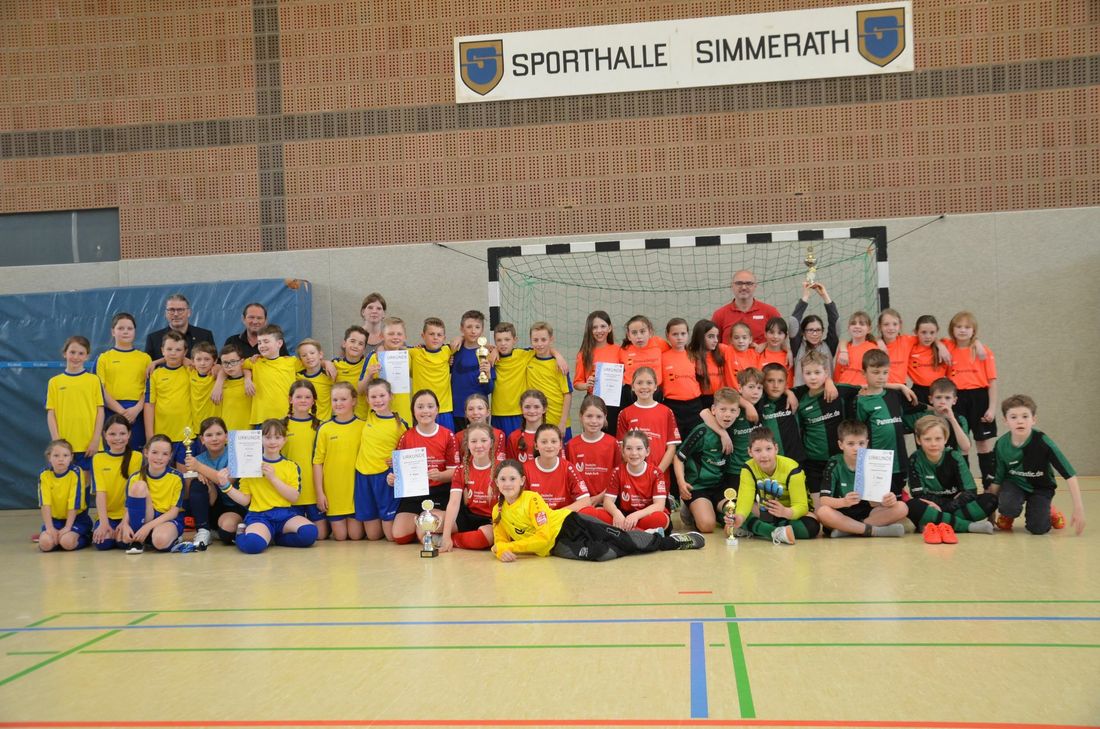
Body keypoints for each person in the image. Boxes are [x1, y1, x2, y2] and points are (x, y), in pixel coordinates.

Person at [491, 459, 704, 562]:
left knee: (623, 540)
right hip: (557, 546)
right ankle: (637, 540)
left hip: (569, 523)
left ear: (522, 481)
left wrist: (509, 548)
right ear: (496, 483)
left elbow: (543, 537)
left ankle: (673, 542)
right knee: (601, 554)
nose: (507, 483)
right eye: (503, 479)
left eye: (512, 479)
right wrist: (501, 549)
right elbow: (499, 541)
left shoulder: (532, 499)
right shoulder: (497, 510)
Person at [219, 419, 318, 554]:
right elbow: (245, 500)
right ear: (260, 439)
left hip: (285, 515)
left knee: (309, 533)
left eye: (277, 437)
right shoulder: (249, 465)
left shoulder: (291, 466)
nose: (272, 442)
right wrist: (226, 486)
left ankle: (275, 538)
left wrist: (273, 478)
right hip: (260, 516)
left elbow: (294, 497)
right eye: (268, 437)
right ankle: (241, 533)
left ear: (284, 440)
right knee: (253, 545)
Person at [991, 395, 1084, 536]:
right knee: (1008, 505)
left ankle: (1050, 510)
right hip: (1015, 484)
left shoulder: (1043, 443)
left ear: (1033, 419)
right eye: (1013, 417)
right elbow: (998, 479)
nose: (1020, 421)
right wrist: (990, 513)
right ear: (1005, 421)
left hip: (1040, 488)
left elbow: (1069, 475)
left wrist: (1079, 508)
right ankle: (1007, 514)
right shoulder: (1001, 445)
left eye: (1025, 416)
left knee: (1038, 529)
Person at [905, 415, 996, 542]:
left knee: (990, 500)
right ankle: (969, 526)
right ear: (918, 440)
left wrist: (943, 509)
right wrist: (946, 504)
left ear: (945, 439)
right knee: (911, 506)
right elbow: (918, 494)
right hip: (933, 506)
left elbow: (970, 491)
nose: (933, 444)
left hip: (952, 506)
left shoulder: (955, 457)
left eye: (938, 439)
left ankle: (935, 521)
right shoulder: (915, 459)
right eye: (927, 439)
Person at [814, 420, 908, 538]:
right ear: (840, 444)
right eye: (851, 444)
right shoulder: (834, 463)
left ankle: (849, 530)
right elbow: (824, 500)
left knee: (901, 507)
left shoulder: (875, 461)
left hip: (869, 514)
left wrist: (889, 500)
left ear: (867, 443)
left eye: (861, 443)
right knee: (823, 512)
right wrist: (844, 501)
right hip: (842, 513)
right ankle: (874, 531)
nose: (857, 448)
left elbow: (878, 502)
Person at [725, 427, 819, 545]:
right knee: (730, 508)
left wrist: (785, 511)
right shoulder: (748, 468)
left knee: (811, 527)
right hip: (763, 512)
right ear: (750, 452)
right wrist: (739, 517)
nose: (764, 455)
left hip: (788, 514)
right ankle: (774, 532)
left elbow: (801, 506)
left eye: (768, 449)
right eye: (758, 450)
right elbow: (745, 501)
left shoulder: (792, 468)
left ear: (776, 448)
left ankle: (754, 527)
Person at [389, 389, 460, 545]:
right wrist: (393, 478)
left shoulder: (448, 435)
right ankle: (423, 526)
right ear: (413, 411)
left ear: (437, 410)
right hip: (413, 494)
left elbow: (456, 472)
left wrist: (440, 476)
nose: (425, 411)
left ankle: (448, 527)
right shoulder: (406, 437)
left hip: (438, 492)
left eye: (430, 406)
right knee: (399, 536)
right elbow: (399, 471)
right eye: (420, 407)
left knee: (424, 529)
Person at [675, 388, 749, 534]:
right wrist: (681, 483)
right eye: (723, 409)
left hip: (720, 487)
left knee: (737, 514)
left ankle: (713, 510)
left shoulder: (735, 428)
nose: (727, 414)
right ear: (714, 410)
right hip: (698, 487)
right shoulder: (702, 431)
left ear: (738, 412)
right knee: (707, 526)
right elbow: (678, 458)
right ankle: (690, 510)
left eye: (732, 410)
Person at [944, 311, 998, 489]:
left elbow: (992, 382)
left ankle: (989, 484)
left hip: (979, 398)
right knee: (962, 446)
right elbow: (935, 340)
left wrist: (991, 408)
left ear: (973, 331)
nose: (962, 330)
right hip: (957, 398)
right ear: (952, 329)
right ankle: (965, 486)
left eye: (967, 327)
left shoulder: (983, 352)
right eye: (958, 326)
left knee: (983, 444)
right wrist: (942, 346)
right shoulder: (948, 347)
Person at [794, 351, 858, 496]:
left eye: (817, 372)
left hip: (840, 460)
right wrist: (790, 394)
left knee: (845, 504)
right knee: (820, 510)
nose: (813, 377)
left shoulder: (840, 391)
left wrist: (900, 386)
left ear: (826, 372)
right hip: (814, 463)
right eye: (808, 373)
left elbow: (869, 387)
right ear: (802, 374)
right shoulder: (800, 397)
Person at [854, 349, 917, 496]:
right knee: (874, 500)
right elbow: (858, 434)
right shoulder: (861, 402)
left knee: (897, 498)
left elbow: (920, 407)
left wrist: (901, 386)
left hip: (899, 461)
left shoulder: (895, 395)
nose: (881, 377)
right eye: (875, 373)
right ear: (864, 373)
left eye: (885, 372)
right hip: (875, 462)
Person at [353, 379, 407, 541]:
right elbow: (357, 390)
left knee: (391, 537)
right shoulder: (366, 416)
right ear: (367, 400)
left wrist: (396, 459)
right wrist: (369, 373)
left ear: (390, 396)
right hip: (363, 476)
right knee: (373, 536)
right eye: (373, 397)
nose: (378, 400)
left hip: (385, 478)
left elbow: (406, 453)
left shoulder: (400, 424)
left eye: (382, 395)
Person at [184, 416, 247, 546]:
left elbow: (226, 480)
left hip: (234, 505)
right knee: (198, 484)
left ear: (227, 436)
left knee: (227, 533)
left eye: (219, 434)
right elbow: (191, 494)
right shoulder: (197, 459)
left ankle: (217, 531)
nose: (214, 438)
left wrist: (200, 468)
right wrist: (200, 477)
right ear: (202, 439)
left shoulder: (236, 454)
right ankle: (203, 530)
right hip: (213, 506)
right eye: (209, 435)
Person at [313, 382, 364, 541]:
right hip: (334, 492)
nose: (339, 403)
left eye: (343, 399)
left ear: (354, 401)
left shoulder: (363, 426)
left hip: (356, 492)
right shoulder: (325, 429)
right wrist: (320, 493)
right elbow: (317, 463)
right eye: (335, 400)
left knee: (355, 536)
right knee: (340, 537)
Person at [46, 335, 105, 472]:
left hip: (89, 445)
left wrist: (96, 440)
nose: (76, 357)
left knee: (88, 486)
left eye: (81, 353)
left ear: (87, 356)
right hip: (66, 447)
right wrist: (58, 443)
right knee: (68, 485)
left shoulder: (93, 380)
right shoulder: (55, 382)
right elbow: (51, 413)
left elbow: (100, 411)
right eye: (72, 352)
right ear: (64, 353)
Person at [593, 429, 670, 531]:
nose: (634, 453)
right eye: (629, 448)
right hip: (623, 516)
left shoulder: (656, 473)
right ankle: (637, 532)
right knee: (593, 512)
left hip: (645, 515)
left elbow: (659, 505)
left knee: (661, 519)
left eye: (639, 448)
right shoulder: (617, 472)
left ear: (647, 451)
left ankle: (625, 532)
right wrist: (616, 513)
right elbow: (607, 502)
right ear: (623, 451)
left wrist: (636, 515)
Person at [95, 312, 152, 449]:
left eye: (129, 328)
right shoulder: (104, 358)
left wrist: (136, 409)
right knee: (114, 453)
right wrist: (121, 412)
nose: (125, 332)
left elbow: (149, 388)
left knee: (136, 456)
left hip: (138, 413)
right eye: (121, 328)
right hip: (112, 411)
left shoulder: (145, 358)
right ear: (113, 332)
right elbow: (100, 390)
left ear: (135, 331)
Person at [119, 435, 184, 553]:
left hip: (165, 519)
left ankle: (167, 538)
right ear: (146, 452)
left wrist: (148, 527)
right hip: (145, 516)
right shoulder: (135, 477)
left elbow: (174, 512)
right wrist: (125, 524)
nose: (159, 458)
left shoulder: (177, 477)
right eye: (154, 452)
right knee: (139, 486)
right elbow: (129, 508)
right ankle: (137, 542)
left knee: (160, 541)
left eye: (165, 454)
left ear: (170, 456)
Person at [440, 422, 499, 552]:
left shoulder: (501, 468)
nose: (479, 445)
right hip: (468, 516)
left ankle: (453, 540)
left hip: (490, 520)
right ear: (467, 444)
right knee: (428, 525)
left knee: (483, 538)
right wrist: (445, 534)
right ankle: (445, 538)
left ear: (491, 442)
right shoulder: (461, 469)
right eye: (473, 441)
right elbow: (454, 503)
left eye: (483, 440)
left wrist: (449, 537)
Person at [91, 415, 143, 550]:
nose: (118, 438)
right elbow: (100, 493)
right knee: (102, 544)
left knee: (124, 542)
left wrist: (125, 522)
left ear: (129, 434)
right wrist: (103, 523)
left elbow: (133, 495)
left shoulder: (136, 457)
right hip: (108, 516)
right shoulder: (98, 459)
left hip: (128, 515)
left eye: (122, 433)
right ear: (105, 435)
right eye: (112, 434)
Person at [283, 380, 326, 540]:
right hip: (291, 492)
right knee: (298, 531)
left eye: (307, 397)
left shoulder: (321, 426)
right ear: (290, 399)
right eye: (298, 396)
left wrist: (321, 492)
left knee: (320, 535)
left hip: (314, 490)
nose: (303, 400)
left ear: (313, 400)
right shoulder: (282, 427)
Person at [616, 367, 680, 474]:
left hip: (660, 476)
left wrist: (658, 472)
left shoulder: (666, 412)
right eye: (639, 382)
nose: (644, 386)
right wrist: (637, 471)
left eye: (649, 383)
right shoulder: (625, 413)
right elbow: (622, 448)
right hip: (633, 476)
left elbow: (671, 448)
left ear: (655, 386)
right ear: (632, 386)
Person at [143, 330, 191, 462]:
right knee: (162, 472)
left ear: (185, 352)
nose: (173, 353)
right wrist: (150, 435)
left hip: (186, 435)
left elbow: (204, 366)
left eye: (178, 349)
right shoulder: (155, 374)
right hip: (162, 436)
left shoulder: (191, 371)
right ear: (162, 350)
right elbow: (149, 405)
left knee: (187, 476)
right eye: (169, 349)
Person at [37, 439, 93, 552]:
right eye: (56, 455)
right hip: (55, 520)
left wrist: (67, 527)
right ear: (49, 457)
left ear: (71, 457)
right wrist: (50, 528)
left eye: (65, 455)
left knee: (67, 542)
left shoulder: (76, 473)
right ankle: (57, 538)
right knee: (45, 544)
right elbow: (45, 503)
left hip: (76, 519)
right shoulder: (44, 474)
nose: (61, 459)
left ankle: (87, 536)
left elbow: (74, 503)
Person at [565, 395, 620, 506]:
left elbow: (619, 478)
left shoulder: (613, 443)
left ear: (605, 417)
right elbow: (569, 479)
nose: (594, 421)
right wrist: (583, 500)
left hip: (607, 502)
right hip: (580, 503)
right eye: (589, 416)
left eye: (599, 417)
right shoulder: (571, 445)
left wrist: (599, 498)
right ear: (581, 417)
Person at [242, 324, 303, 425]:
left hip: (287, 417)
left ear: (279, 343)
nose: (262, 346)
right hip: (261, 419)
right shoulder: (255, 361)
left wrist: (326, 363)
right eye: (259, 342)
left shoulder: (292, 362)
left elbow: (312, 363)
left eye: (266, 341)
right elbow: (241, 366)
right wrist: (247, 379)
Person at [522, 424, 591, 511]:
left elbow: (585, 500)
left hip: (562, 518)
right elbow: (520, 503)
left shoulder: (568, 468)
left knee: (589, 512)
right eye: (544, 442)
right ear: (536, 445)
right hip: (536, 519)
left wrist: (556, 515)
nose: (549, 446)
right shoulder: (526, 469)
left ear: (560, 445)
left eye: (554, 441)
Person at [573, 311, 622, 431]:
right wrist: (586, 385)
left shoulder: (619, 350)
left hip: (614, 403)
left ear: (609, 328)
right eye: (595, 327)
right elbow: (577, 383)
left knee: (612, 439)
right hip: (593, 402)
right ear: (590, 330)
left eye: (603, 326)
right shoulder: (584, 354)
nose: (599, 330)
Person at [450, 310, 495, 431]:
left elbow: (490, 389)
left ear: (482, 329)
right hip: (458, 410)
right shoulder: (454, 350)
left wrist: (488, 375)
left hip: (479, 412)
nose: (473, 331)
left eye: (477, 327)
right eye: (469, 327)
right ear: (462, 329)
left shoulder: (489, 353)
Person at [526, 321, 573, 439]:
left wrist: (562, 422)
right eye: (535, 340)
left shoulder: (559, 365)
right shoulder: (527, 357)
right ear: (531, 340)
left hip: (558, 422)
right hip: (537, 423)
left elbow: (567, 394)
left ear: (551, 340)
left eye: (543, 340)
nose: (539, 344)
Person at [408, 317, 456, 431]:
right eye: (431, 334)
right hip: (421, 411)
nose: (435, 337)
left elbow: (472, 343)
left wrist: (491, 349)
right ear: (423, 335)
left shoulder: (448, 350)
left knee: (447, 445)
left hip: (444, 410)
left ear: (444, 338)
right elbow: (394, 347)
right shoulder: (414, 352)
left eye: (439, 335)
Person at [787, 281, 839, 385]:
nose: (815, 333)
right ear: (803, 332)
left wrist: (824, 295)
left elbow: (835, 321)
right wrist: (805, 296)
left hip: (826, 396)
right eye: (810, 330)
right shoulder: (797, 346)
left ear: (823, 331)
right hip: (802, 398)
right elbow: (793, 322)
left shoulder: (828, 345)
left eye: (818, 330)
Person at [712, 270, 782, 345]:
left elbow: (781, 339)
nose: (744, 287)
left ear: (755, 286)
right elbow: (713, 345)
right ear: (732, 286)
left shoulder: (770, 312)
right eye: (739, 283)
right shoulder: (720, 315)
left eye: (749, 283)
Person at [365, 317, 412, 424]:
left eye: (399, 334)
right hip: (379, 417)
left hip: (403, 415)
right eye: (390, 334)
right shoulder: (374, 357)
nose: (395, 337)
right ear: (382, 336)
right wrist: (369, 375)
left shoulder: (408, 356)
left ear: (405, 337)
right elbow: (360, 389)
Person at [617, 315, 668, 411]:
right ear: (629, 336)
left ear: (650, 332)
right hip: (630, 394)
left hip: (654, 392)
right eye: (634, 333)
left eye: (642, 331)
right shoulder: (623, 350)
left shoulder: (660, 344)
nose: (639, 336)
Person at [490, 322, 532, 437]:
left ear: (515, 340)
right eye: (499, 340)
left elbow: (544, 349)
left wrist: (558, 355)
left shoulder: (523, 355)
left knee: (518, 450)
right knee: (500, 451)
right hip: (497, 413)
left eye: (507, 340)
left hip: (518, 413)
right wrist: (493, 350)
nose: (503, 344)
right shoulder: (491, 357)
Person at [144, 293, 214, 358]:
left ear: (189, 312)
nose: (176, 314)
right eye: (171, 310)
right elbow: (149, 366)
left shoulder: (205, 336)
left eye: (180, 310)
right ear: (166, 313)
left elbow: (214, 362)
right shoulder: (153, 339)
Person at [907, 315, 949, 406]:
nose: (928, 336)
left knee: (939, 420)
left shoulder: (944, 347)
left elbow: (965, 342)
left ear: (937, 331)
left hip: (939, 392)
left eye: (932, 332)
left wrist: (940, 345)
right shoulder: (910, 347)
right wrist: (879, 340)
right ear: (916, 332)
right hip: (918, 392)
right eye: (923, 332)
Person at [223, 302, 288, 358]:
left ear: (266, 321)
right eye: (251, 317)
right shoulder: (232, 341)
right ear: (243, 319)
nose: (255, 322)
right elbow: (222, 364)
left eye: (259, 318)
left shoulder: (275, 341)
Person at [332, 325, 370, 419]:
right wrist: (325, 363)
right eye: (352, 341)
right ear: (344, 343)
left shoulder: (369, 365)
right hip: (341, 419)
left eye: (360, 344)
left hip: (363, 419)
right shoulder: (335, 365)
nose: (355, 346)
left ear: (364, 349)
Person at [454, 393, 506, 460]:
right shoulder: (458, 437)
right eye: (470, 409)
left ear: (488, 412)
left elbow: (500, 463)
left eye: (480, 408)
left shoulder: (499, 434)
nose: (475, 412)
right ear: (466, 413)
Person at [833, 311, 878, 386]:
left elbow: (876, 373)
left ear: (869, 329)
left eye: (862, 324)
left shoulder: (873, 349)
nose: (857, 326)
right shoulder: (844, 349)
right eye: (853, 323)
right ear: (848, 328)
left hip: (863, 390)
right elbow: (837, 374)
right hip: (843, 389)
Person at [215, 344, 252, 432]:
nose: (230, 366)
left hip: (250, 434)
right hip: (228, 432)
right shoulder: (219, 383)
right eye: (225, 363)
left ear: (242, 361)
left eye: (233, 362)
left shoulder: (252, 381)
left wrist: (248, 377)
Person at [296, 339, 333, 422]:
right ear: (300, 360)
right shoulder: (297, 377)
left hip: (324, 424)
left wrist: (327, 363)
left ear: (320, 354)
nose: (309, 357)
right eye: (304, 355)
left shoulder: (329, 376)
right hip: (304, 424)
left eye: (312, 353)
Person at [188, 341, 218, 437]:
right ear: (193, 361)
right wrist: (156, 362)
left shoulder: (217, 374)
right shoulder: (190, 372)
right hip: (197, 429)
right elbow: (177, 357)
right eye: (199, 359)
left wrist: (219, 368)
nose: (202, 363)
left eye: (207, 359)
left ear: (215, 361)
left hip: (216, 427)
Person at [507, 389, 546, 462]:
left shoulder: (553, 435)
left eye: (536, 407)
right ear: (521, 409)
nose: (532, 411)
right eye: (527, 407)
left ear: (544, 409)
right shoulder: (514, 437)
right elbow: (511, 467)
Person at [758, 317, 795, 388]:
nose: (775, 336)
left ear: (785, 336)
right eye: (771, 332)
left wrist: (789, 350)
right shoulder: (758, 353)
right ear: (765, 334)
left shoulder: (789, 357)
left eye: (780, 333)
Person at [359, 292, 387, 358]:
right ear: (363, 312)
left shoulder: (392, 338)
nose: (374, 311)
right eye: (370, 307)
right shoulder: (352, 337)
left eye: (379, 308)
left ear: (383, 314)